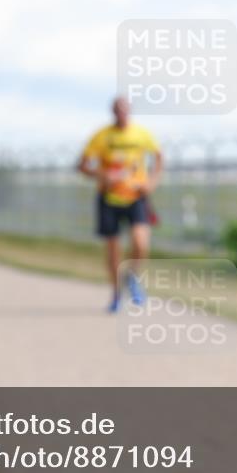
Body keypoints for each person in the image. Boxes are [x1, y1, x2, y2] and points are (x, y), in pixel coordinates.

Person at [78, 96, 162, 312]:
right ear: (113, 112)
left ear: (130, 111)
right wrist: (102, 174)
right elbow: (83, 165)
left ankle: (133, 276)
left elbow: (159, 158)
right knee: (113, 251)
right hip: (109, 199)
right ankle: (116, 294)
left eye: (125, 109)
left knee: (141, 243)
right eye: (118, 110)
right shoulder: (102, 136)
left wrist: (151, 183)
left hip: (136, 197)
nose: (121, 114)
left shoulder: (142, 134)